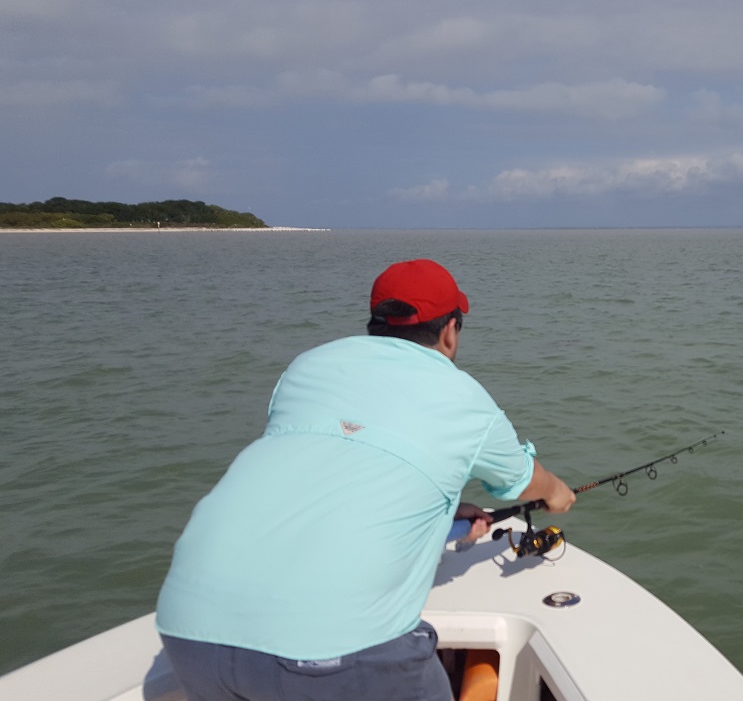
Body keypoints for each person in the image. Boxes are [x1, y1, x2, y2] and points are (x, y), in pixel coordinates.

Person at [155, 258, 576, 701]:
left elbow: (328, 472)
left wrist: (445, 517)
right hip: (333, 650)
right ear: (451, 331)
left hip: (188, 630)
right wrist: (557, 493)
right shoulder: (464, 397)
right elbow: (522, 483)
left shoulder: (308, 365)